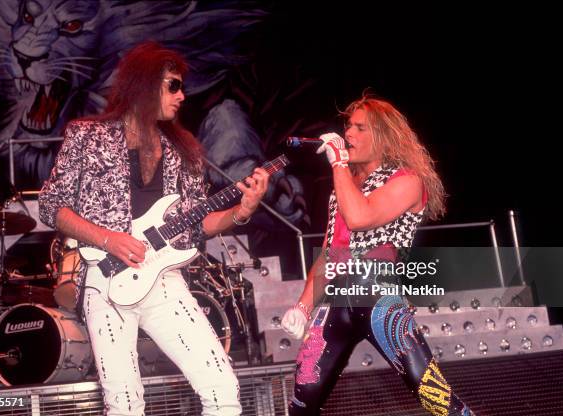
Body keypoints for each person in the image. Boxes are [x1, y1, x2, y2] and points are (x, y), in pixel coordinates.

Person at [39, 41, 270, 416]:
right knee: (125, 404)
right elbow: (52, 207)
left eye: (182, 86)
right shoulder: (87, 136)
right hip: (106, 280)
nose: (183, 95)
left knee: (222, 385)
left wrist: (241, 212)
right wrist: (108, 239)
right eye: (173, 86)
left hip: (163, 280)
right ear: (144, 85)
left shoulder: (185, 150)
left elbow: (197, 226)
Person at [281, 93, 475, 416]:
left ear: (383, 137)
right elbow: (332, 252)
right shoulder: (343, 186)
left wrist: (339, 164)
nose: (348, 135)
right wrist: (302, 306)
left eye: (359, 128)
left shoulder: (408, 180)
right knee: (301, 403)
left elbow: (361, 216)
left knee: (437, 398)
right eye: (348, 127)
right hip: (337, 302)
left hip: (377, 296)